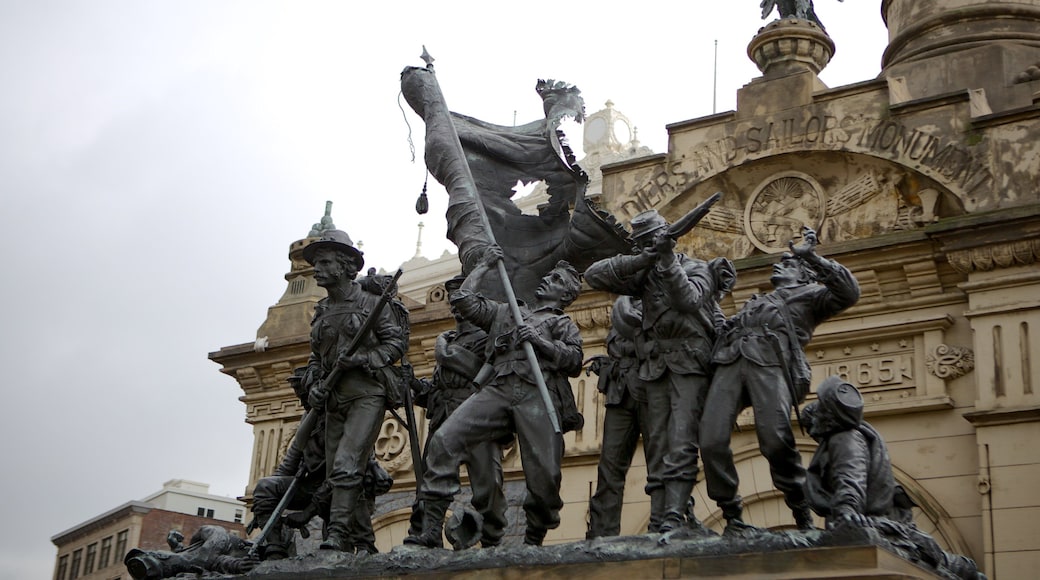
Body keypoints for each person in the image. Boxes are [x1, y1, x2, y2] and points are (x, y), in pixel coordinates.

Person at [406, 246, 584, 548]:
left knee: (546, 479)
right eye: (549, 275)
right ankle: (430, 530)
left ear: (565, 295)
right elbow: (463, 301)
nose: (546, 279)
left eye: (554, 279)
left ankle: (533, 539)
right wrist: (484, 266)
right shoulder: (507, 311)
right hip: (499, 387)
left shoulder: (561, 323)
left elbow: (575, 360)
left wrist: (540, 342)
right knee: (444, 441)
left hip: (537, 394)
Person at [699, 226, 860, 534]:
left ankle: (799, 507)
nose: (778, 263)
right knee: (710, 440)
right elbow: (721, 328)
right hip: (730, 365)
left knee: (774, 441)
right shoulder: (756, 301)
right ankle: (732, 515)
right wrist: (711, 295)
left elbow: (849, 292)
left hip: (770, 367)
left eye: (787, 262)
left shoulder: (811, 296)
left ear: (803, 273)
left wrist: (812, 257)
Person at [584, 209, 735, 535]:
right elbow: (594, 276)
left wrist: (665, 261)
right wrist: (644, 260)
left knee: (680, 443)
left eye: (647, 242)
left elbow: (689, 301)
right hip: (654, 369)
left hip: (689, 363)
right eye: (639, 244)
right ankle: (661, 521)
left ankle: (670, 520)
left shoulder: (698, 268)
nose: (643, 247)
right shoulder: (645, 271)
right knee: (659, 450)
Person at [800, 378, 984, 580]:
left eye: (813, 425)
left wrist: (847, 509)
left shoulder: (844, 438)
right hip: (888, 521)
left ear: (826, 418)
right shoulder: (855, 435)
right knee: (937, 557)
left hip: (875, 521)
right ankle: (965, 569)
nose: (813, 433)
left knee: (936, 557)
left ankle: (964, 569)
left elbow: (850, 477)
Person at [301, 229, 409, 552]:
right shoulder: (321, 311)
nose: (316, 269)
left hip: (367, 393)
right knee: (341, 471)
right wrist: (315, 386)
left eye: (324, 262)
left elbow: (396, 343)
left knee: (347, 462)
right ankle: (363, 540)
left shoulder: (372, 304)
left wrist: (363, 358)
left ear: (345, 266)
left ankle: (336, 535)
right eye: (315, 263)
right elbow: (314, 358)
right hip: (333, 399)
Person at [408, 274, 508, 549]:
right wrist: (415, 385)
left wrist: (447, 354)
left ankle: (492, 537)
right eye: (452, 299)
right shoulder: (448, 338)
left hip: (478, 416)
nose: (455, 305)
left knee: (488, 484)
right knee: (434, 476)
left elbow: (492, 376)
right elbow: (437, 390)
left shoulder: (490, 338)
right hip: (443, 417)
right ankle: (429, 530)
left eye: (460, 299)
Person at [250, 368, 392, 557]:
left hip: (345, 489)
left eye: (305, 393)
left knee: (348, 502)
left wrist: (308, 513)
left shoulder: (350, 420)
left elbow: (345, 472)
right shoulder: (308, 422)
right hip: (314, 487)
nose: (303, 399)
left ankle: (363, 546)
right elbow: (287, 466)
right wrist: (264, 505)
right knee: (265, 487)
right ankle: (275, 548)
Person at [585, 296, 660, 538]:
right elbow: (619, 348)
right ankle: (602, 532)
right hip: (620, 394)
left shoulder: (661, 300)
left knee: (660, 462)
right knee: (609, 467)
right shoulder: (622, 305)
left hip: (651, 391)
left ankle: (664, 522)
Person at [124, 526, 257, 579]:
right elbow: (218, 533)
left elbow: (206, 530)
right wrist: (239, 565)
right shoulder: (199, 563)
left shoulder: (190, 555)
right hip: (254, 545)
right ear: (160, 556)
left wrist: (178, 548)